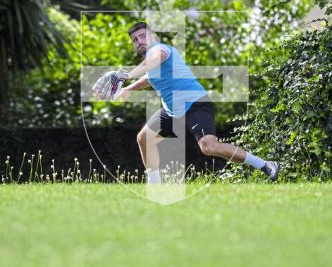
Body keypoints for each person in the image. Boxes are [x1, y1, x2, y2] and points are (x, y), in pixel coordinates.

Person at [118, 22, 279, 184]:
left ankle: (265, 165)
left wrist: (126, 75)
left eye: (143, 36)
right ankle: (154, 185)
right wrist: (128, 89)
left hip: (195, 103)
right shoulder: (150, 62)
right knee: (144, 138)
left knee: (209, 147)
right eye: (135, 40)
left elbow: (156, 59)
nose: (139, 41)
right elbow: (150, 78)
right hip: (173, 110)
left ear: (153, 37)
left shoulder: (160, 50)